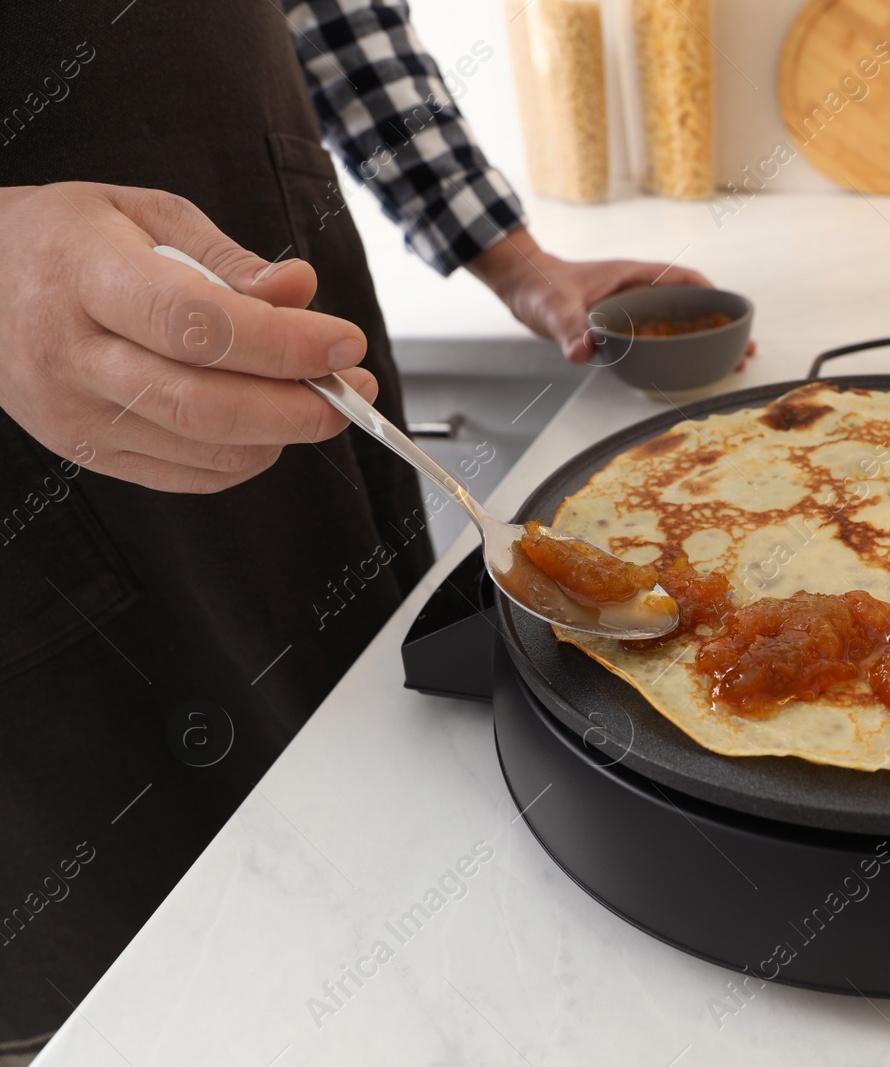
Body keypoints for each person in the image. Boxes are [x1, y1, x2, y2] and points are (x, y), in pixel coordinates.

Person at [0, 1, 738, 1058]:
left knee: (389, 820)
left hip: (280, 282)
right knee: (165, 972)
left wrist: (519, 263)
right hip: (38, 494)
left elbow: (341, 24)